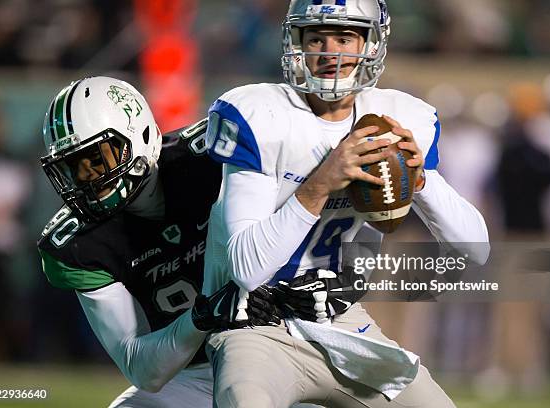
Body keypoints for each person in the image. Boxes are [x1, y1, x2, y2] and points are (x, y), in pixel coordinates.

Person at [202, 1, 490, 407]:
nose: (329, 52)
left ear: (371, 45)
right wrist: (321, 183)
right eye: (316, 38)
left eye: (344, 37)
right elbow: (248, 269)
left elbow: (474, 250)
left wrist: (419, 178)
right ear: (295, 42)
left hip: (342, 323)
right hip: (257, 325)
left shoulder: (397, 117)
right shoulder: (261, 115)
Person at [37, 76, 350, 407]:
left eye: (98, 159)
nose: (88, 179)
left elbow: (321, 182)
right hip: (193, 372)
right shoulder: (79, 245)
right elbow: (142, 368)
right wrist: (204, 315)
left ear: (139, 134)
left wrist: (349, 274)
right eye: (75, 167)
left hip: (282, 347)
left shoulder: (211, 156)